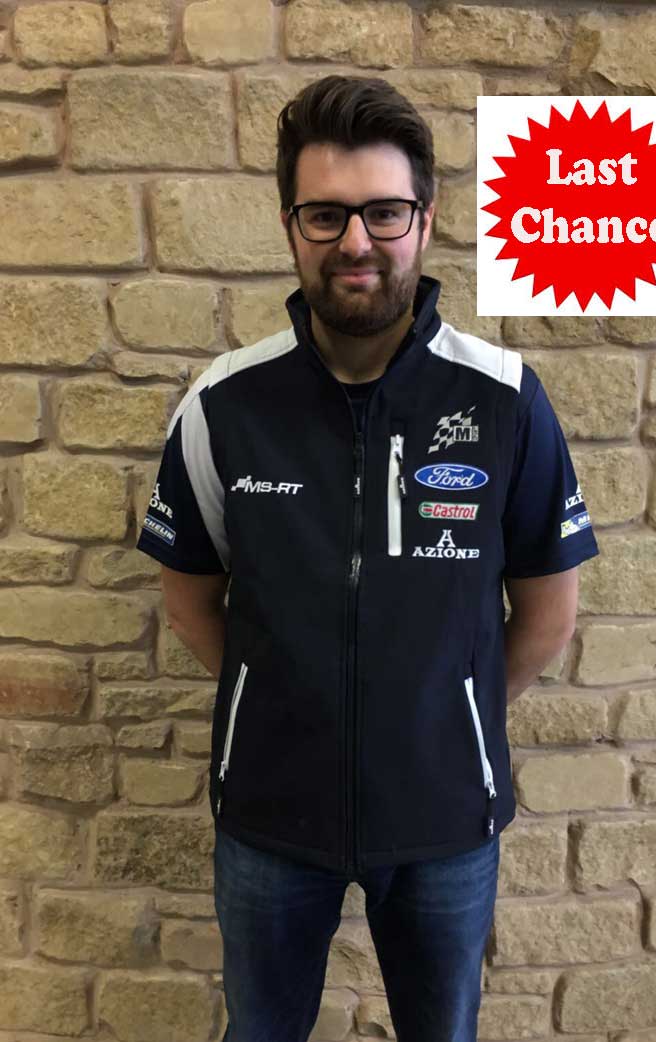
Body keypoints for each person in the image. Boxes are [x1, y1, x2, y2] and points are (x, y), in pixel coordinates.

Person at [136, 74, 599, 1042]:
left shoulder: (507, 398)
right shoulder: (222, 403)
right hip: (271, 816)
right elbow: (191, 600)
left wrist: (435, 714)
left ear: (425, 220)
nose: (356, 241)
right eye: (326, 214)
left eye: (384, 212)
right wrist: (289, 701)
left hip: (444, 821)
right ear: (290, 226)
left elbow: (547, 615)